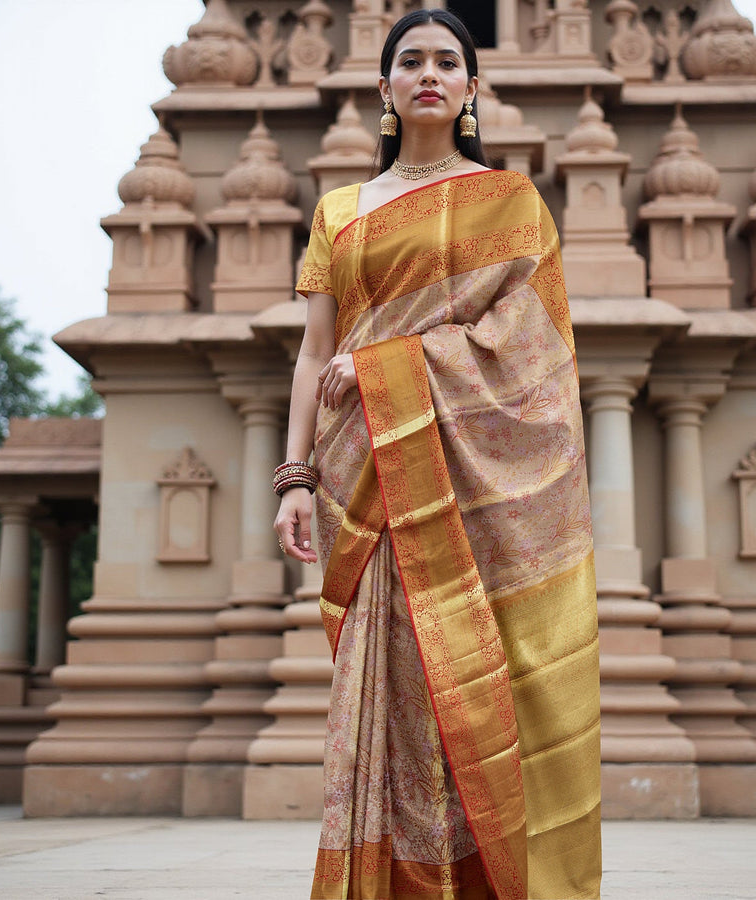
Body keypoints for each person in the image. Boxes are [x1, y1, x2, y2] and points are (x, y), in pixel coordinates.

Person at [273, 8, 601, 899]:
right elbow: (312, 353)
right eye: (409, 60)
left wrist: (390, 365)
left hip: (468, 489)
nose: (429, 72)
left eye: (447, 61)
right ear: (383, 89)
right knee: (381, 687)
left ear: (470, 88)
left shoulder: (511, 203)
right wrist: (296, 478)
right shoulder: (338, 212)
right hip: (362, 478)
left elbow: (532, 347)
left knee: (473, 678)